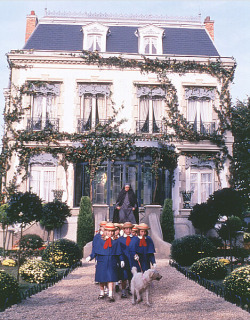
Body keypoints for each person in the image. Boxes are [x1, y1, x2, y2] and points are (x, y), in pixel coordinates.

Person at [86, 222, 124, 302]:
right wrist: (90, 257)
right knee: (102, 278)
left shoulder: (116, 241)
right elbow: (95, 251)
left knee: (110, 278)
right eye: (108, 231)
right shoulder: (100, 240)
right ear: (105, 231)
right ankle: (102, 292)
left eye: (111, 231)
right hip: (101, 261)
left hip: (112, 261)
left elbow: (119, 252)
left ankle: (110, 294)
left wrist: (121, 260)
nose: (110, 233)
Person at [117, 221, 134, 298]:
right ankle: (123, 291)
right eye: (126, 229)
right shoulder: (120, 239)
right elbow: (119, 250)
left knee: (132, 275)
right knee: (124, 275)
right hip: (123, 259)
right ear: (123, 230)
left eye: (130, 229)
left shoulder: (135, 238)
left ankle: (131, 288)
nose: (128, 231)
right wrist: (121, 260)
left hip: (132, 260)